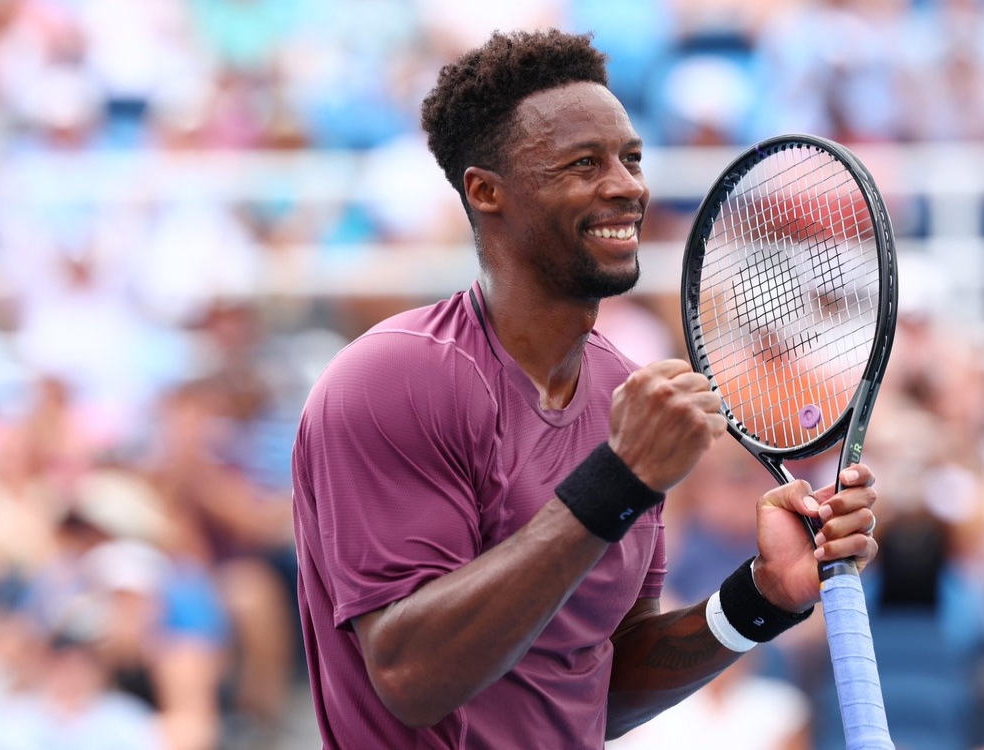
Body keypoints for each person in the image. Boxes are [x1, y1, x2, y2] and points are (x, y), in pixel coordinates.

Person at [291, 28, 881, 749]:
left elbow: (593, 689)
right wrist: (618, 480)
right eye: (583, 163)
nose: (627, 186)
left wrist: (759, 596)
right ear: (485, 192)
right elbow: (412, 677)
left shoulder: (623, 395)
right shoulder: (389, 380)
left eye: (631, 158)